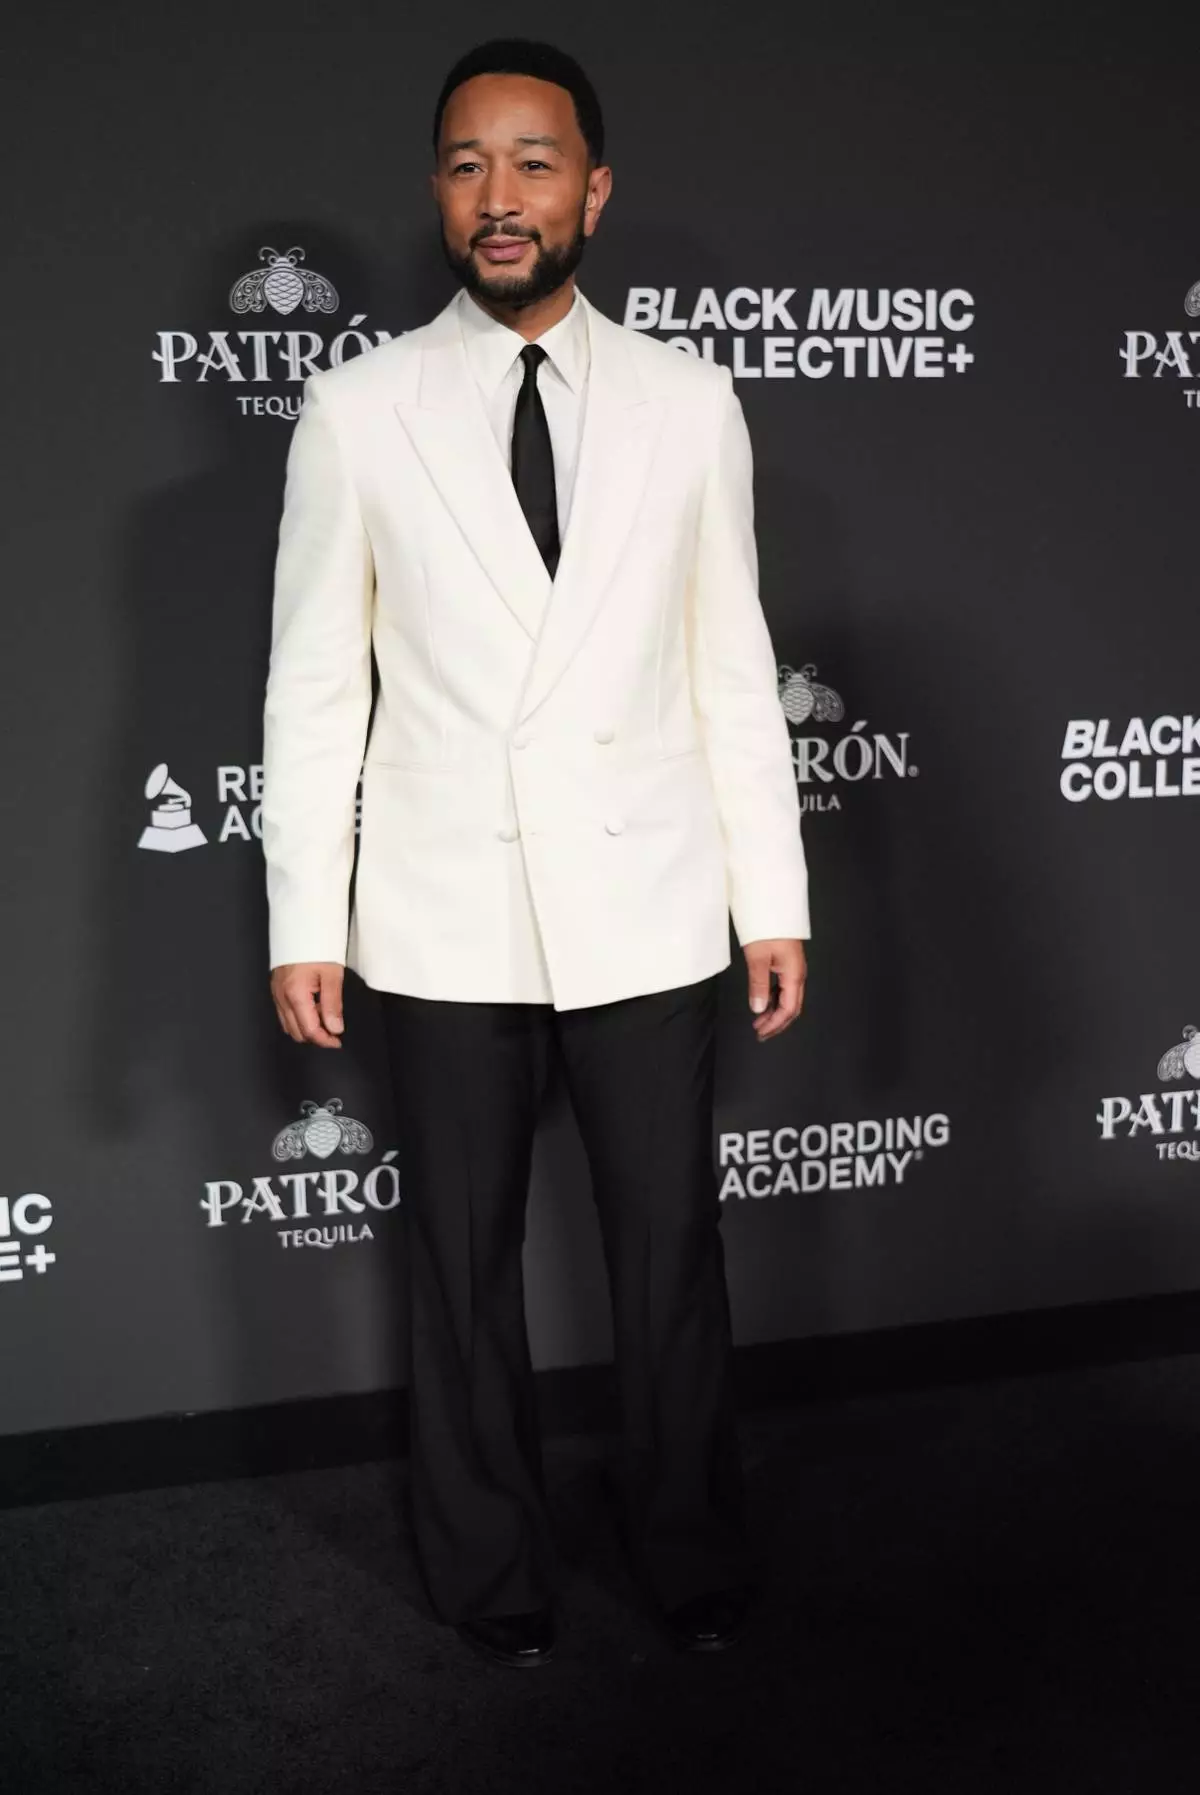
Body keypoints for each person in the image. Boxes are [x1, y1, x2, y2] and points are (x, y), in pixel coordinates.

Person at [261, 37, 810, 1668]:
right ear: (439, 193)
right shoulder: (356, 409)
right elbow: (310, 683)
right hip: (440, 911)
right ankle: (488, 1569)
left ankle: (692, 1548)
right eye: (465, 165)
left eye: (533, 162)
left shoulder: (691, 400)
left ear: (595, 187)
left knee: (671, 1265)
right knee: (459, 1273)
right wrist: (308, 916)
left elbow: (732, 664)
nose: (499, 198)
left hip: (646, 896)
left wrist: (768, 895)